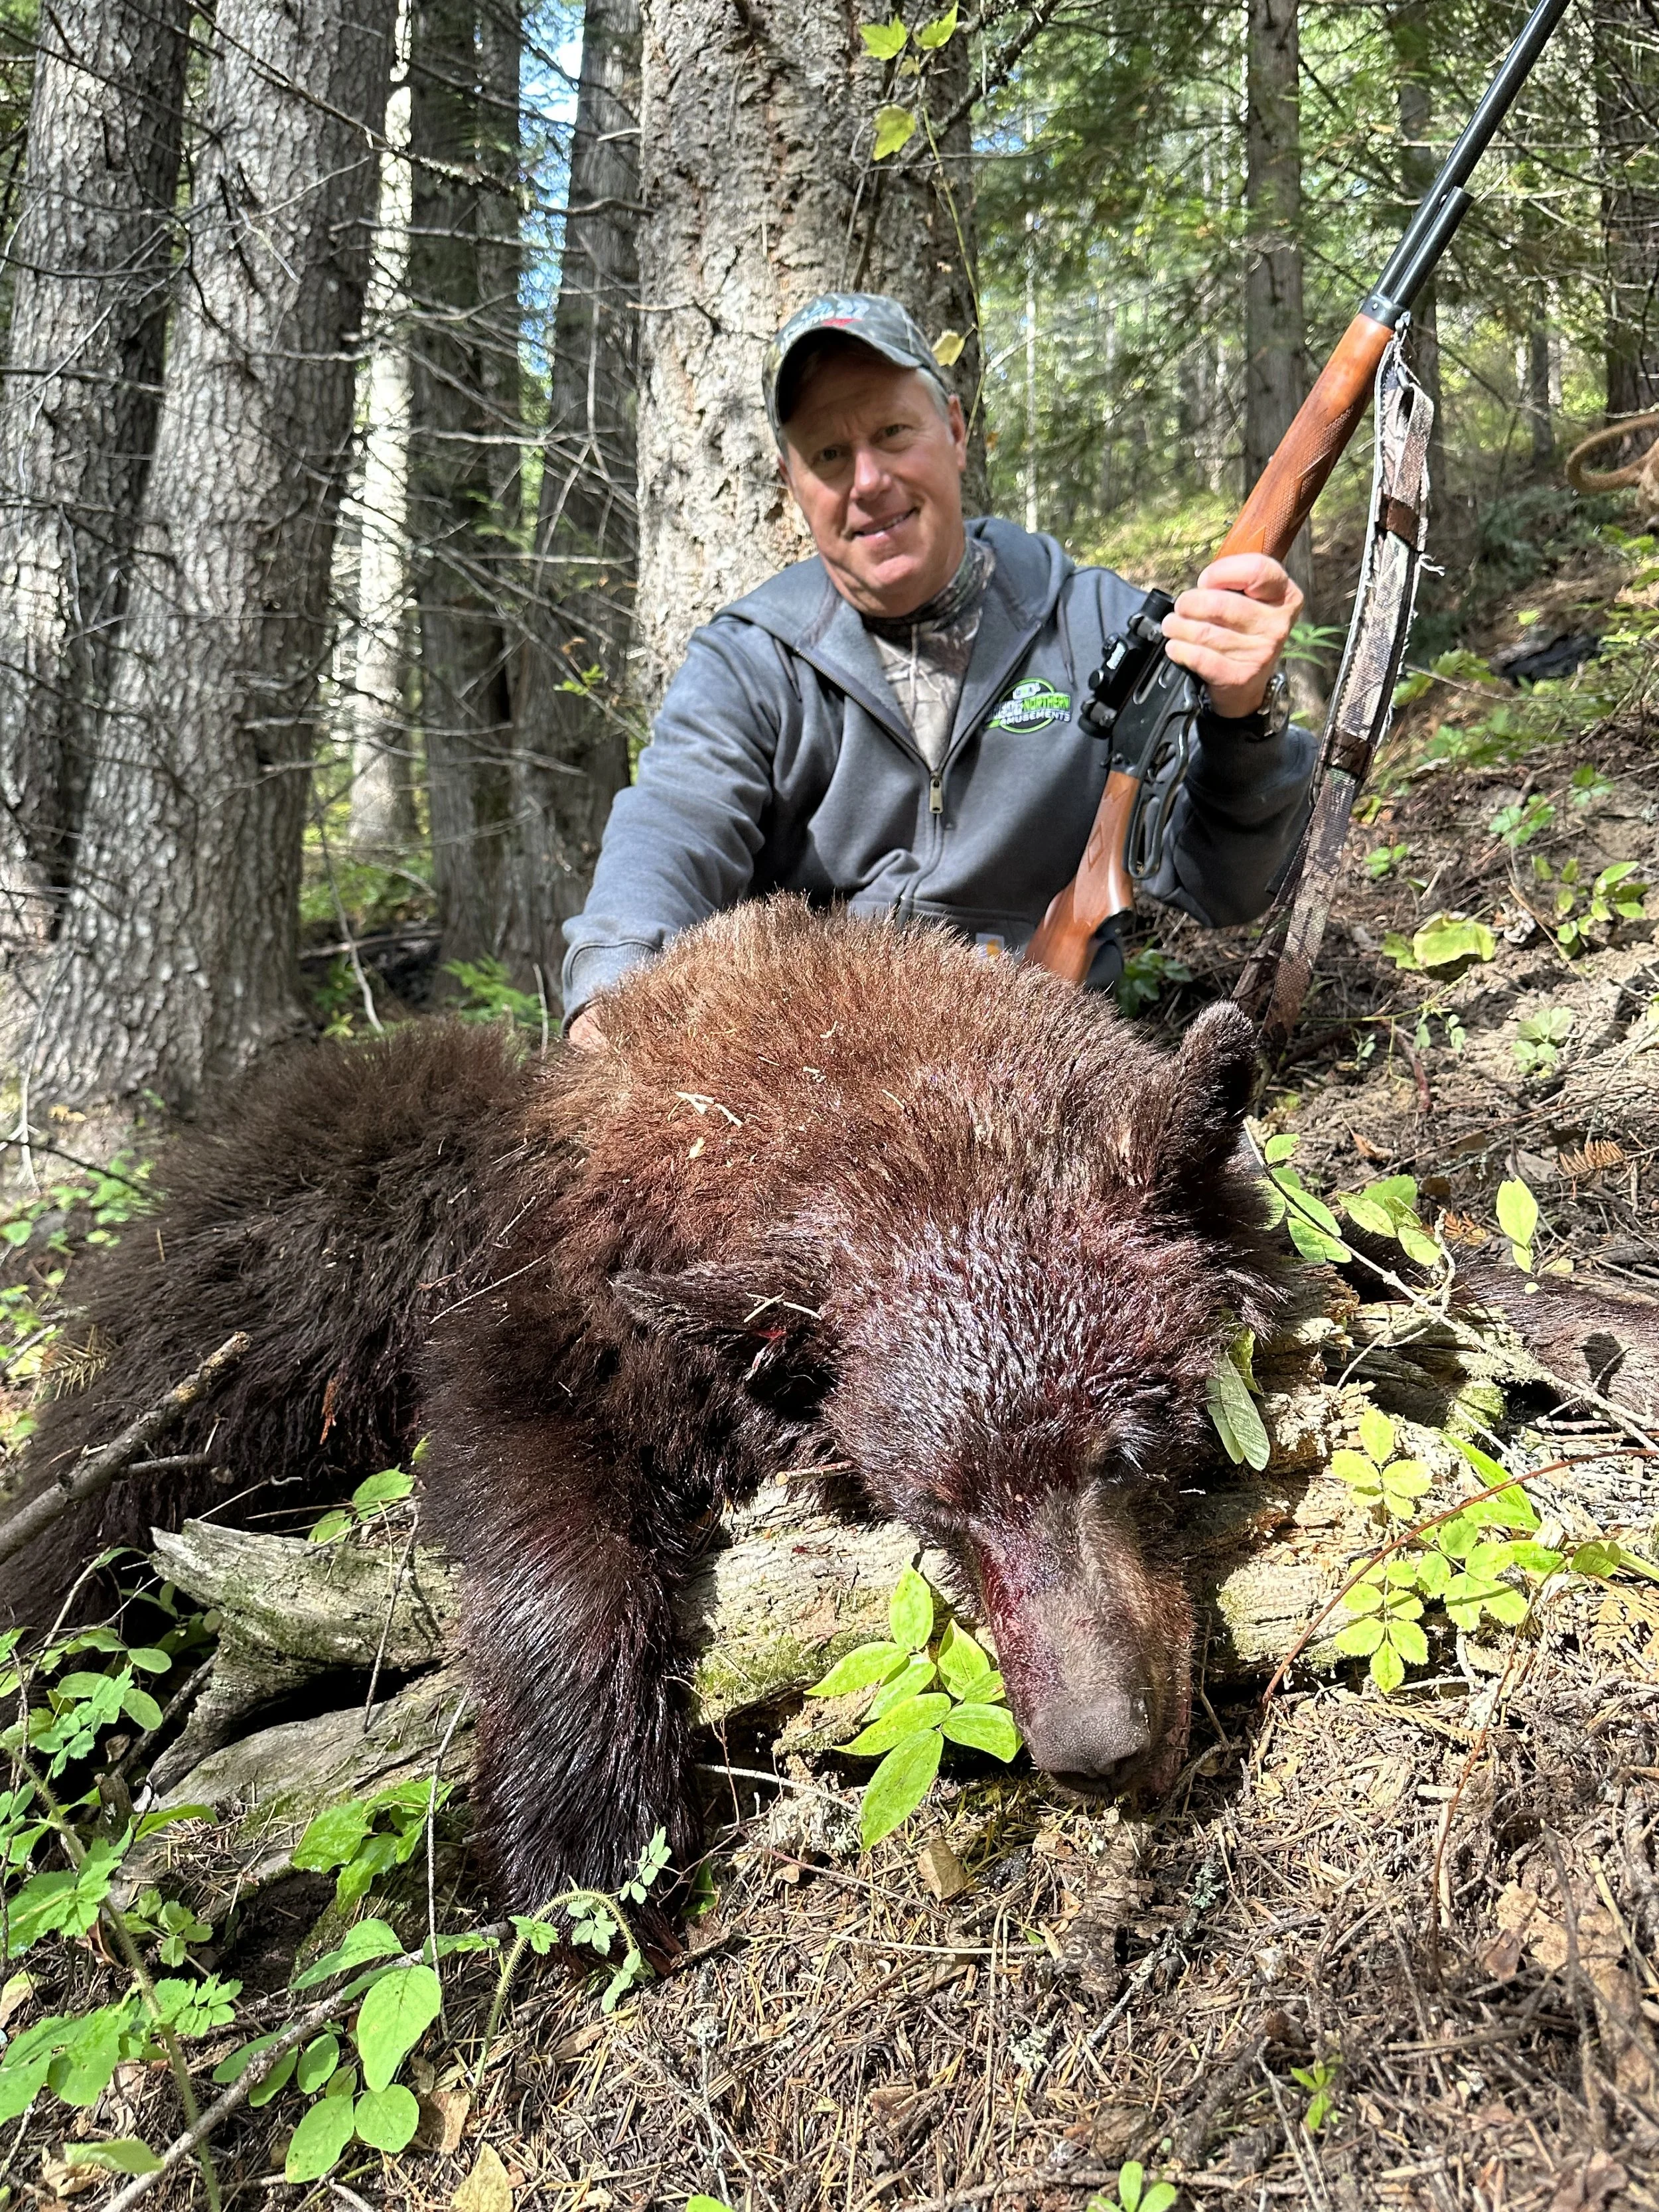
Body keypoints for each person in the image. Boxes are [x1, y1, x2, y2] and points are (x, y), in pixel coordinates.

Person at [562, 291, 1316, 1047]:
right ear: (792, 483)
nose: (866, 481)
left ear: (954, 430)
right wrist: (612, 991)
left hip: (1049, 1069)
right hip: (815, 1072)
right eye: (828, 454)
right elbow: (670, 827)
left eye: (892, 433)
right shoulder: (752, 660)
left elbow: (1230, 886)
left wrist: (1243, 714)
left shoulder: (1096, 626)